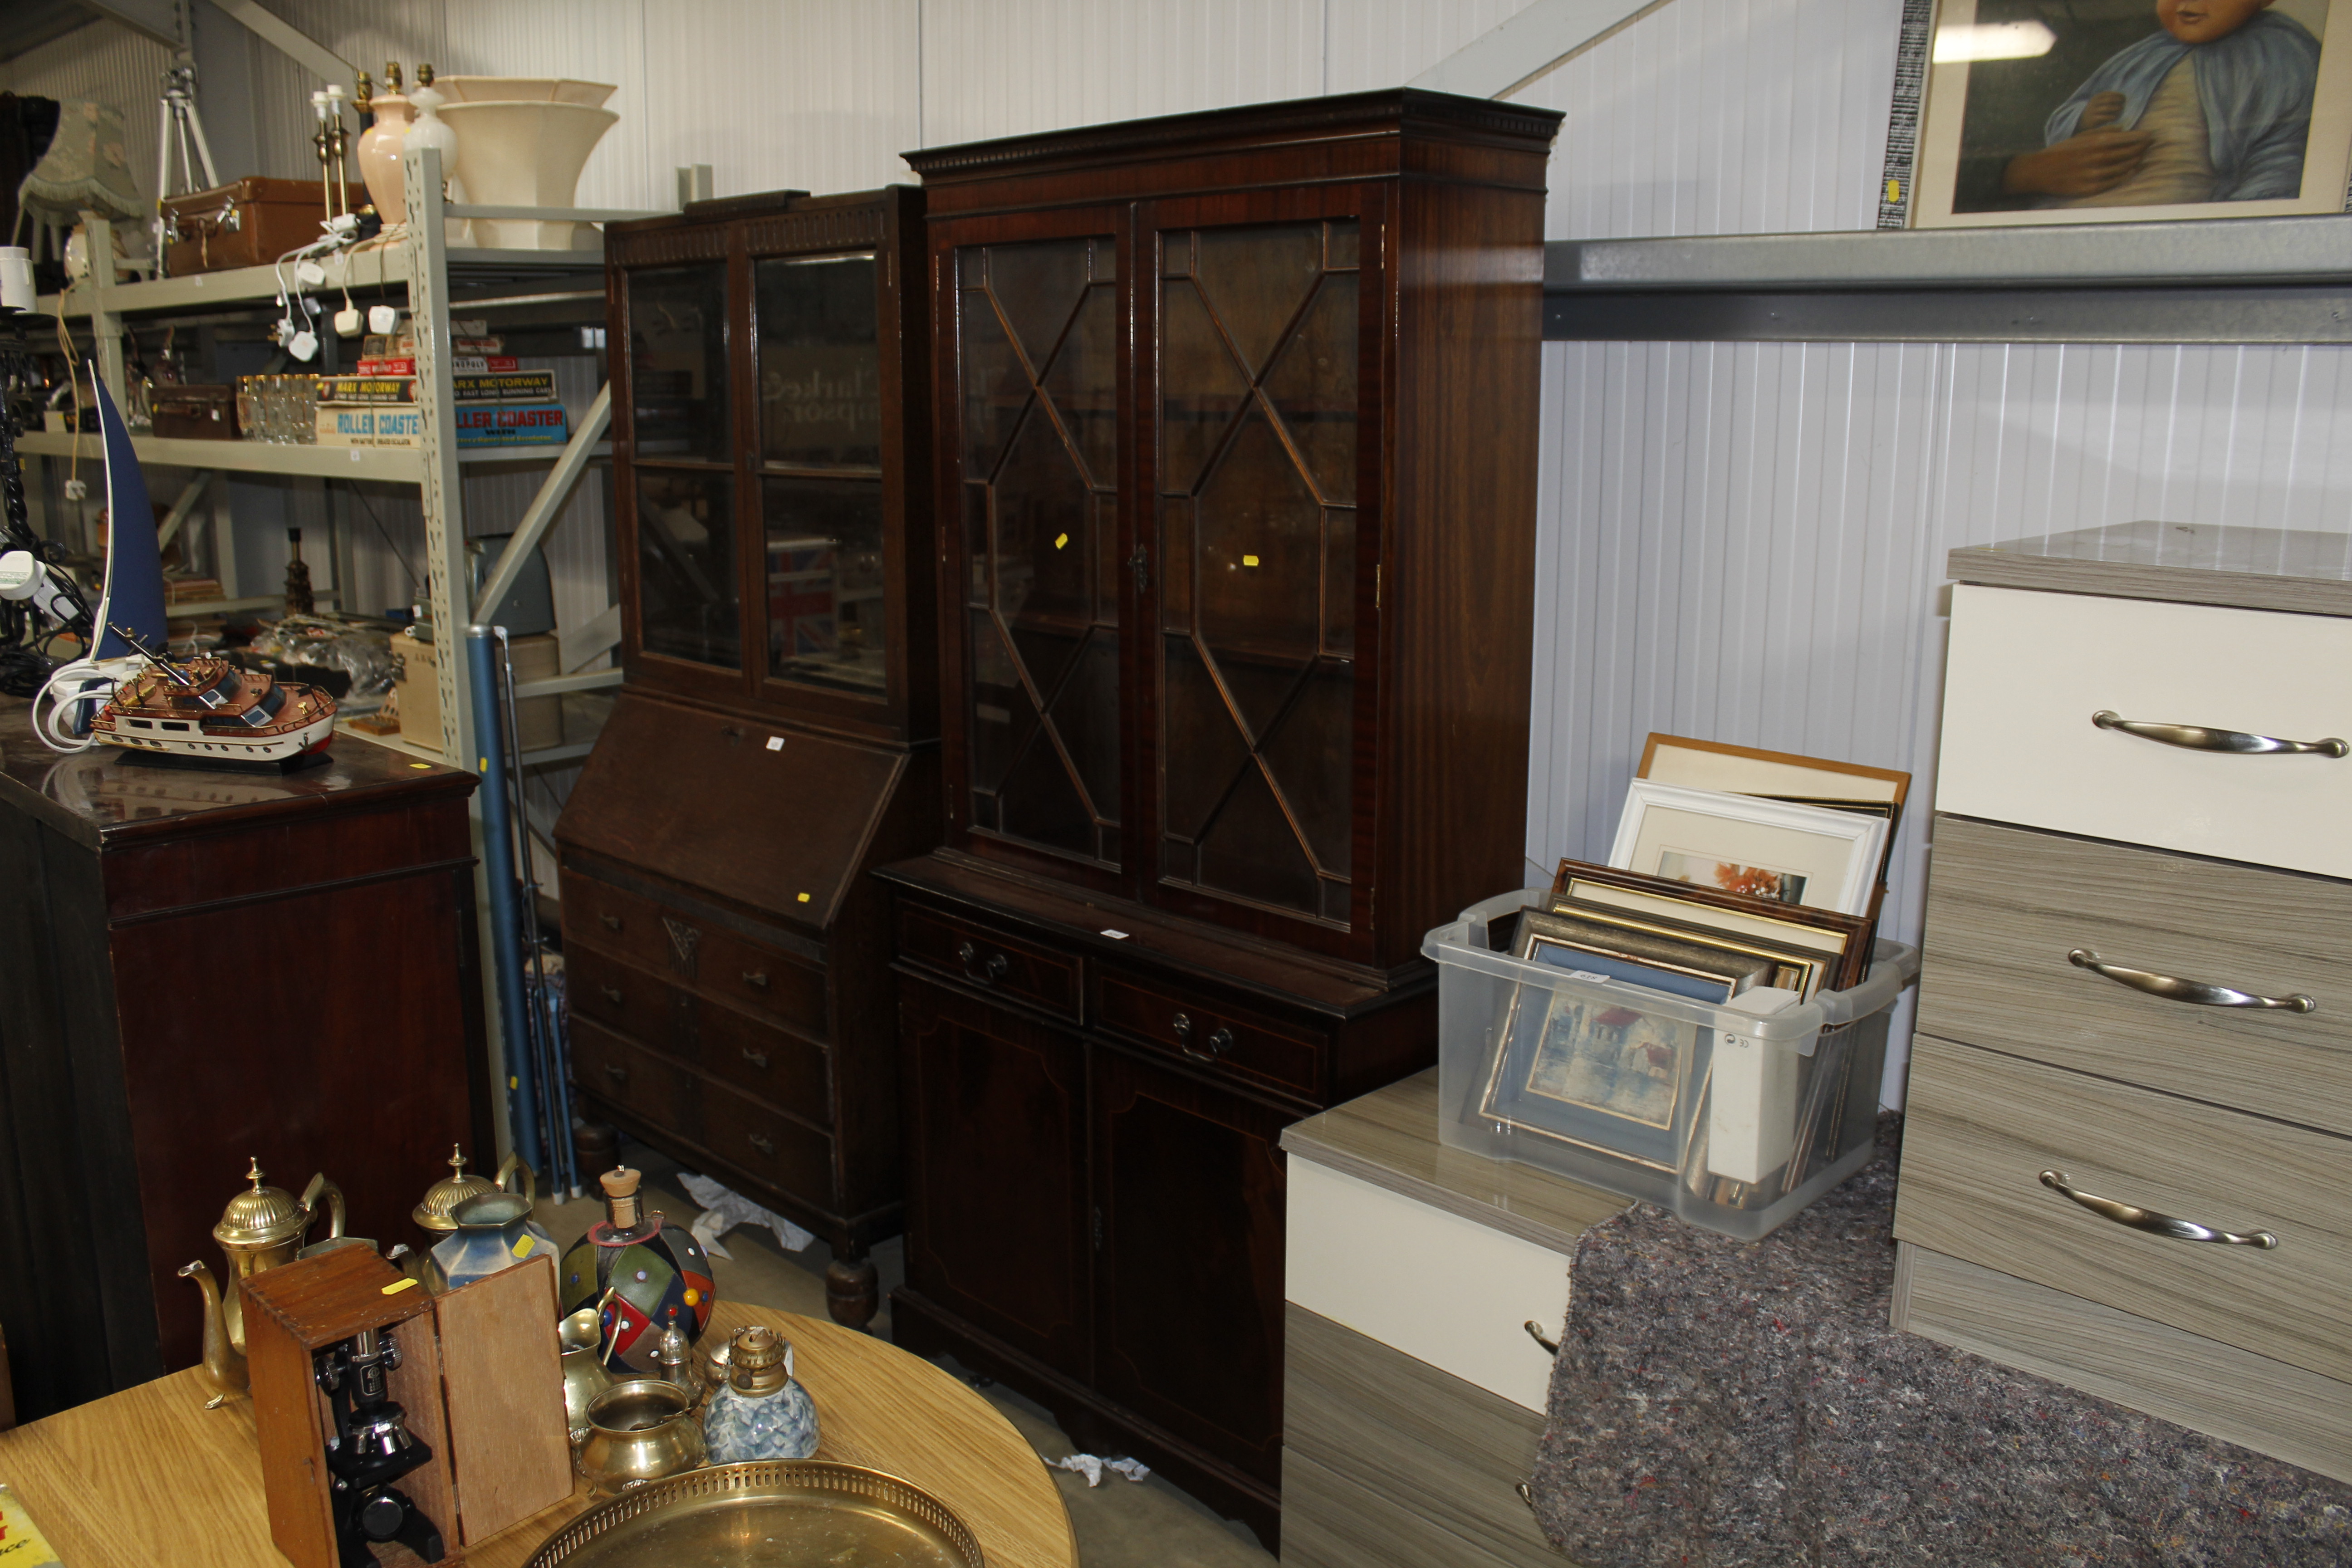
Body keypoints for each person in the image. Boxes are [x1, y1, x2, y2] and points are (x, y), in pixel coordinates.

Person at [2000, 0, 2322, 206]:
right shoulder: (2141, 56)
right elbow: (2059, 133)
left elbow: (2286, 156)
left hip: (2182, 225)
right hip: (2078, 218)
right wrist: (2082, 118)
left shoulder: (2285, 55)